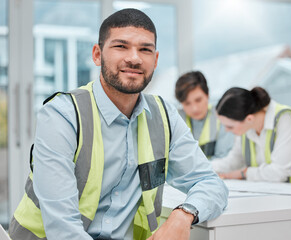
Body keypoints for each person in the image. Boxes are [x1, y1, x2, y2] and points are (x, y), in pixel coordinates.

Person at [8, 8, 228, 240]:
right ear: (97, 54)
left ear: (155, 60)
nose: (134, 58)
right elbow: (63, 228)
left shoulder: (164, 115)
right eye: (121, 46)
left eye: (145, 49)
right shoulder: (62, 115)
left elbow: (211, 183)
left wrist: (183, 214)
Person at [211, 86, 291, 185]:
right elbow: (234, 160)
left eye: (230, 127)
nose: (226, 130)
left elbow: (279, 172)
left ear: (249, 119)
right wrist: (205, 168)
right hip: (267, 191)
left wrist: (244, 173)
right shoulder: (246, 127)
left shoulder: (284, 118)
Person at [175, 71, 234, 159]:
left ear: (207, 95)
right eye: (187, 103)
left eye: (198, 100)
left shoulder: (223, 117)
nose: (194, 108)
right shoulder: (175, 121)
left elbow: (224, 159)